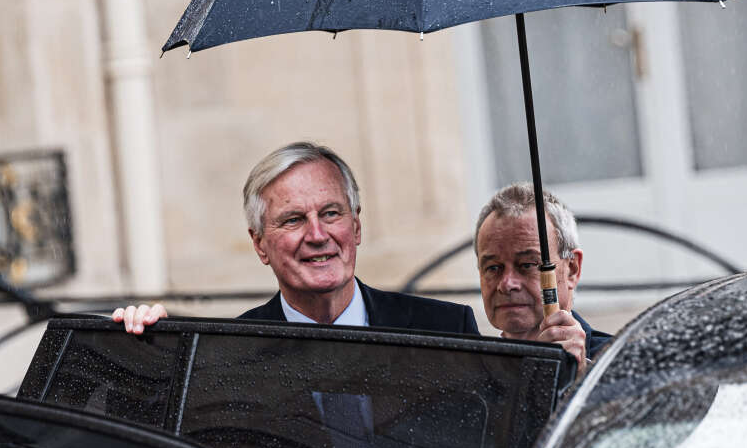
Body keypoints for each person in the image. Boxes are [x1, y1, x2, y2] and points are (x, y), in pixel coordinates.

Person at [115, 141, 478, 334]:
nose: (318, 235)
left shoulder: (446, 329)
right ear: (259, 243)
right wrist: (145, 346)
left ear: (356, 227)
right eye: (293, 220)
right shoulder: (228, 353)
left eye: (331, 213)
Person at [474, 183, 612, 377]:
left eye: (527, 264)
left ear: (572, 269)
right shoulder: (467, 372)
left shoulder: (622, 364)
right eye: (493, 268)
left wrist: (579, 378)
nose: (506, 284)